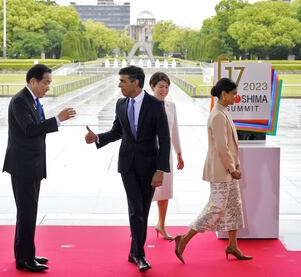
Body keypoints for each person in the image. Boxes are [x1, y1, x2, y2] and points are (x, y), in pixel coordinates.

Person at [85, 66, 170, 272]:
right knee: (136, 209)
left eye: (123, 81)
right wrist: (97, 138)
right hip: (127, 165)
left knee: (143, 210)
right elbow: (117, 131)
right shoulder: (120, 104)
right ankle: (140, 254)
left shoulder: (155, 105)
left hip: (149, 167)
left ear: (136, 83)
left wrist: (160, 170)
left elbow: (165, 139)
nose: (119, 84)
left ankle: (134, 251)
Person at [3, 64, 76, 272]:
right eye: (45, 83)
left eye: (49, 83)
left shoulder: (33, 101)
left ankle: (26, 254)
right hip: (23, 166)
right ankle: (25, 259)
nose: (48, 87)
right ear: (32, 81)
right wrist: (58, 120)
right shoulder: (20, 101)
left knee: (28, 212)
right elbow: (29, 130)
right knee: (27, 212)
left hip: (32, 165)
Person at [172, 78, 252, 264]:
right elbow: (221, 148)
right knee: (216, 208)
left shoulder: (223, 112)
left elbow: (229, 146)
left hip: (228, 168)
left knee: (234, 206)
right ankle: (183, 239)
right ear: (224, 94)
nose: (235, 97)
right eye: (233, 94)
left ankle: (233, 246)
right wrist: (232, 169)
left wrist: (236, 165)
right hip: (221, 170)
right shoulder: (217, 115)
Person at [149, 72, 184, 240]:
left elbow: (174, 130)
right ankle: (138, 227)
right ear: (152, 87)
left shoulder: (171, 106)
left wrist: (179, 153)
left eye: (167, 87)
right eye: (161, 87)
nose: (164, 90)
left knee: (164, 191)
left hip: (166, 155)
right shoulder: (145, 105)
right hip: (148, 154)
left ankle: (161, 225)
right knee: (146, 192)